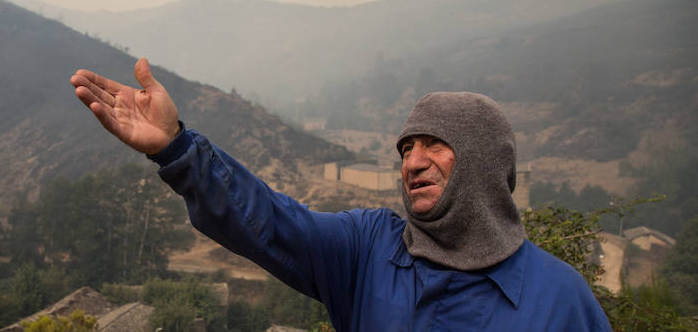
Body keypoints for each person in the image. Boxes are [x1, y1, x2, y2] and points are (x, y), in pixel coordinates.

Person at [70, 58, 612, 332]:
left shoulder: (561, 300)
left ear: (486, 162)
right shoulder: (369, 250)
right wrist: (177, 149)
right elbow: (268, 222)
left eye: (435, 145)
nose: (412, 161)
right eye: (406, 148)